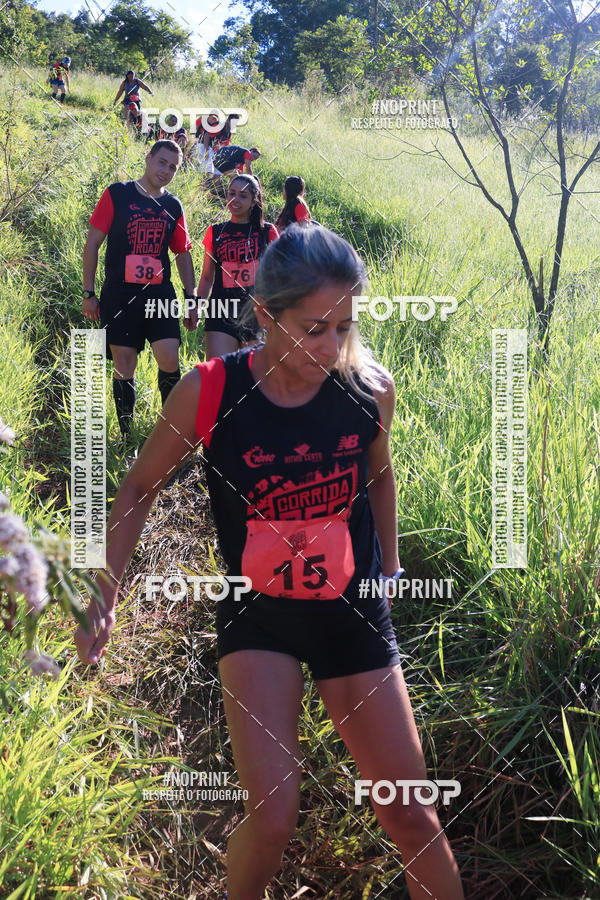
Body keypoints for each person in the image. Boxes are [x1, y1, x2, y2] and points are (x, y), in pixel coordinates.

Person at [75, 223, 465, 900]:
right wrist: (102, 592)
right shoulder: (211, 392)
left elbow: (379, 475)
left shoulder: (369, 389)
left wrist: (392, 563)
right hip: (262, 621)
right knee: (275, 814)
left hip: (352, 617)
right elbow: (139, 486)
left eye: (344, 325)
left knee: (411, 812)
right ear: (264, 316)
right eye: (313, 328)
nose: (331, 346)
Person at [81, 140, 197, 451]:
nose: (166, 171)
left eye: (173, 167)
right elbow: (92, 243)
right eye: (162, 162)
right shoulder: (117, 194)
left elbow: (183, 254)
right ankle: (128, 433)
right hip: (120, 294)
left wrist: (192, 296)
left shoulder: (173, 206)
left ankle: (173, 431)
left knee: (170, 357)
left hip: (159, 295)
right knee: (124, 362)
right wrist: (88, 292)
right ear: (147, 159)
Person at [196, 174, 278, 359]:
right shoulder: (215, 232)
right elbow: (207, 277)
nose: (235, 199)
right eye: (231, 194)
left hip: (256, 313)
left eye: (243, 195)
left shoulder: (267, 232)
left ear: (253, 200)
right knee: (220, 375)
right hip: (221, 311)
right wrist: (196, 307)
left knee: (252, 379)